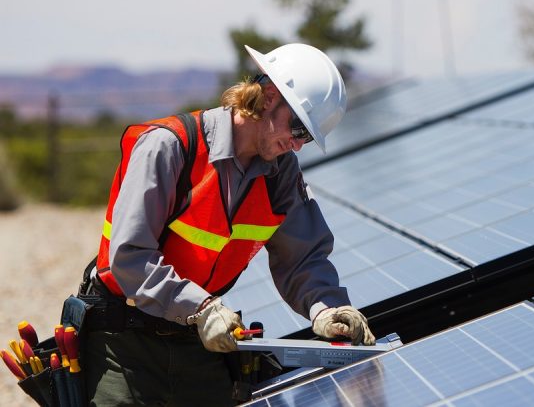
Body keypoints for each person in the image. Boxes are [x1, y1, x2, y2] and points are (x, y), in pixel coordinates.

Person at [80, 43, 375, 406]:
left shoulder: (280, 173)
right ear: (268, 97)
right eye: (297, 128)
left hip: (195, 338)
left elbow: (302, 258)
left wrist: (328, 308)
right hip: (125, 339)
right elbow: (129, 256)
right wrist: (200, 307)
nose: (297, 146)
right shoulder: (169, 147)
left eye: (307, 138)